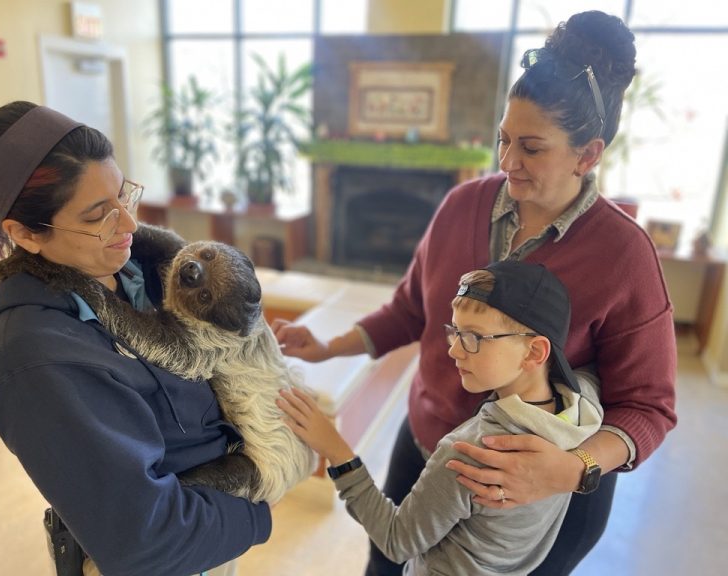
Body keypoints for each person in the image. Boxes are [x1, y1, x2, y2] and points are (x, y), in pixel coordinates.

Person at [272, 10, 677, 575]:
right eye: (503, 140)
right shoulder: (462, 205)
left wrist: (569, 468)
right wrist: (328, 347)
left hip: (540, 501)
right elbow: (412, 308)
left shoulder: (625, 256)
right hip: (426, 452)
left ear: (588, 155)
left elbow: (648, 409)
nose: (507, 163)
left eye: (532, 148)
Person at [0, 101, 271, 576]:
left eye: (124, 194)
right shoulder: (33, 359)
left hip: (212, 542)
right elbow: (145, 544)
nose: (127, 224)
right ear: (24, 234)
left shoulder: (137, 268)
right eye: (97, 215)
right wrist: (262, 501)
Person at [278, 261, 604, 575]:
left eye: (474, 337)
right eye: (455, 332)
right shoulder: (585, 409)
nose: (454, 350)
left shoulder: (471, 451)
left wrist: (337, 451)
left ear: (534, 352)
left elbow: (396, 541)